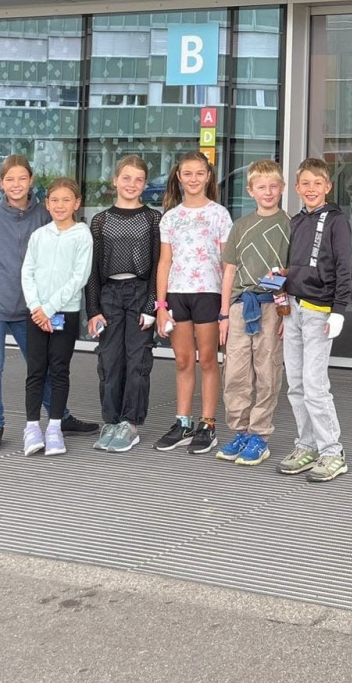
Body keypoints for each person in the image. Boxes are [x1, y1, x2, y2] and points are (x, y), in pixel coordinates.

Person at [0, 155, 97, 452]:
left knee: (43, 366)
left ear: (31, 181)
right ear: (1, 184)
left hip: (33, 309)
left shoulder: (44, 214)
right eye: (10, 179)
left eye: (22, 178)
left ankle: (60, 418)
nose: (16, 184)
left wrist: (43, 304)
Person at [152, 149, 235, 455]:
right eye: (187, 173)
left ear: (209, 176)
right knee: (183, 361)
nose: (194, 179)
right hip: (177, 294)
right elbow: (164, 263)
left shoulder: (219, 214)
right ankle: (183, 423)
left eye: (200, 173)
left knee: (209, 360)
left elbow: (228, 263)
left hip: (209, 293)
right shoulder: (170, 217)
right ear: (178, 177)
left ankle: (208, 425)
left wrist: (225, 307)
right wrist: (161, 306)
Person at [277, 157, 351, 483]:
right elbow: (288, 265)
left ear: (327, 187)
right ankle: (306, 445)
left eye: (317, 183)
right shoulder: (294, 221)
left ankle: (332, 451)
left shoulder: (336, 221)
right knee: (295, 384)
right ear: (296, 187)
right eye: (305, 183)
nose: (311, 189)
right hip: (293, 310)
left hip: (319, 311)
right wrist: (280, 290)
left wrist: (339, 310)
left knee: (315, 386)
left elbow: (344, 266)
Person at [215, 159, 291, 466]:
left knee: (267, 370)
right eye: (261, 187)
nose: (268, 192)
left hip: (272, 304)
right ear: (250, 190)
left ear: (282, 188)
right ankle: (240, 430)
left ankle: (260, 434)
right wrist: (223, 314)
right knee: (235, 371)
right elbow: (229, 271)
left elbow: (294, 271)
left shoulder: (290, 225)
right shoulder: (240, 226)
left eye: (273, 186)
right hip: (239, 306)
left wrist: (286, 313)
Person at [86, 155, 163, 453]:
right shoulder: (100, 220)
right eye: (126, 178)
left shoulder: (153, 218)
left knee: (137, 359)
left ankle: (130, 423)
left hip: (140, 292)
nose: (132, 184)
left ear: (145, 184)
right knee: (109, 360)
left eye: (138, 179)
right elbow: (93, 270)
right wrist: (93, 310)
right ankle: (111, 420)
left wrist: (152, 305)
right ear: (115, 180)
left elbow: (157, 266)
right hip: (109, 294)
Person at [20, 178, 93, 458]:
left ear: (76, 204)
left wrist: (50, 308)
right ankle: (31, 428)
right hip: (37, 313)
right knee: (36, 370)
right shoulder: (39, 235)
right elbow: (27, 272)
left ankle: (54, 428)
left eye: (66, 200)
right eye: (54, 200)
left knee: (59, 370)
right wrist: (36, 307)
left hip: (64, 312)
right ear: (47, 204)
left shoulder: (82, 235)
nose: (60, 205)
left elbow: (79, 277)